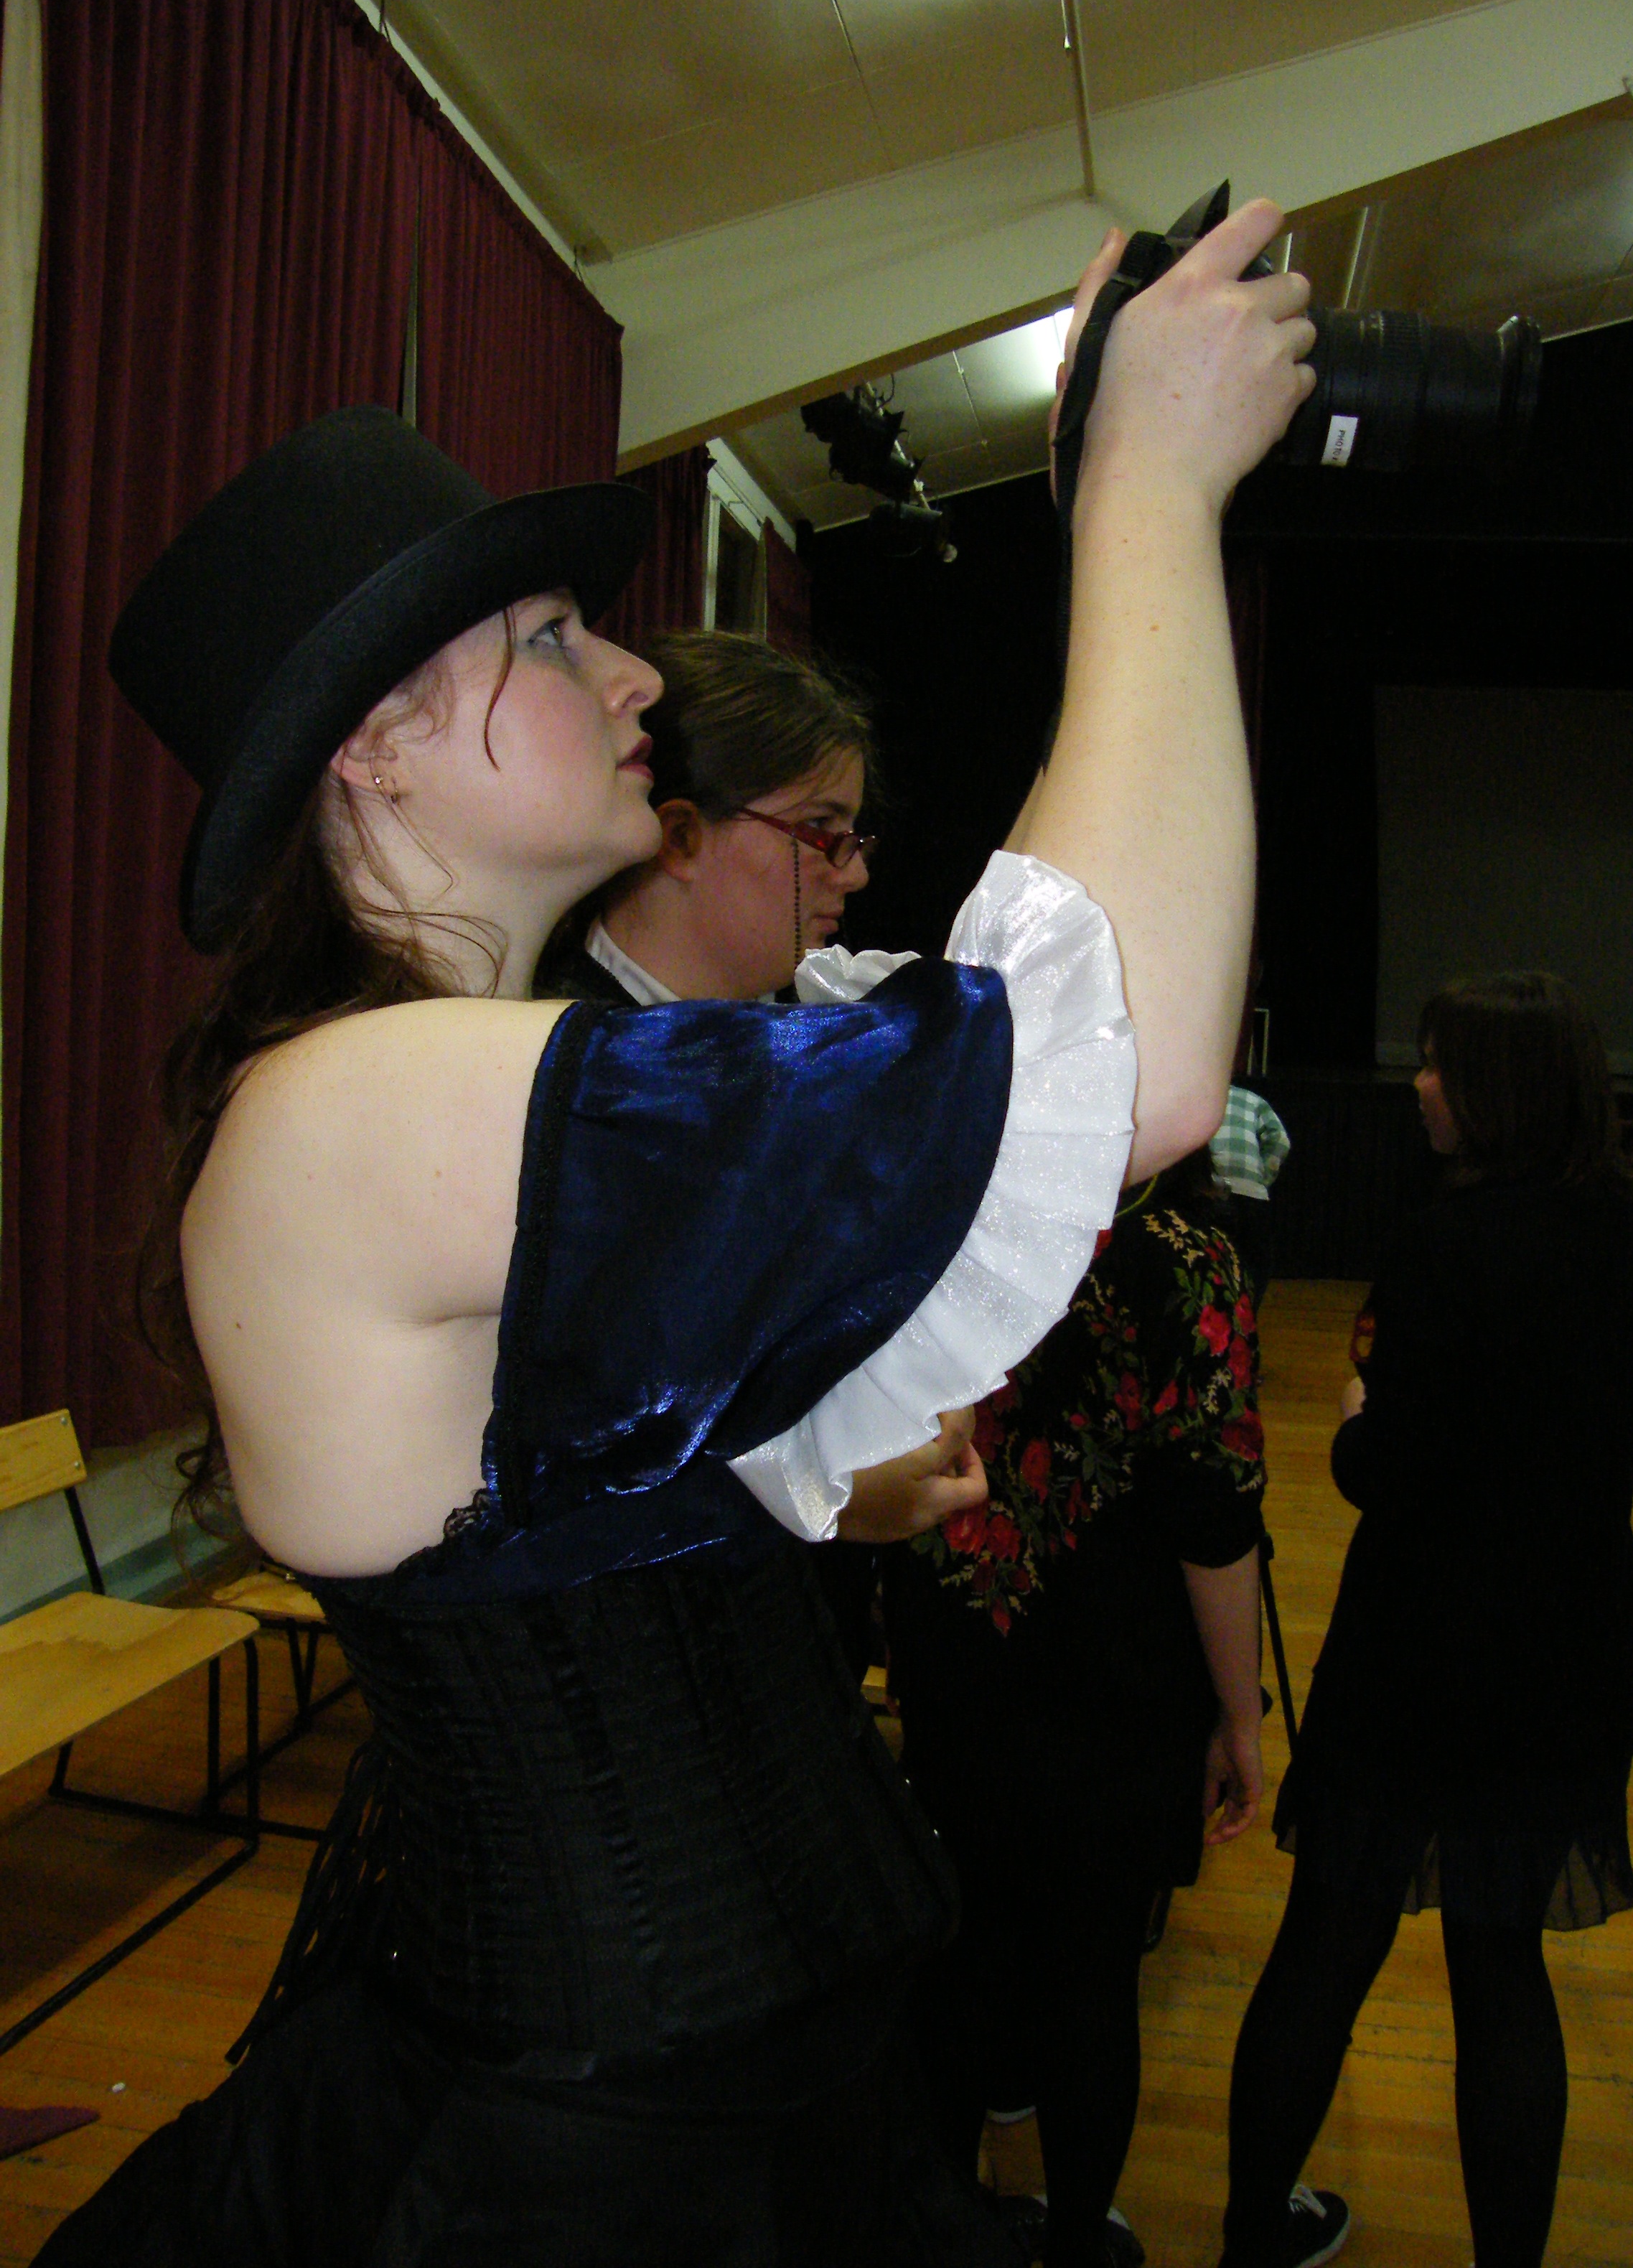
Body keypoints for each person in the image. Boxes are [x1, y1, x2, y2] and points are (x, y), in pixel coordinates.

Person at [35, 197, 1316, 2266]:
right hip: (598, 2166)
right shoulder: (350, 1109)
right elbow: (1123, 1071)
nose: (632, 668)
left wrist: (800, 1488)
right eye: (551, 638)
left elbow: (560, 1496)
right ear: (372, 745)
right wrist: (1149, 496)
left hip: (706, 2097)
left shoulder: (444, 1085)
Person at [1220, 972, 1633, 2268]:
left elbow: (1390, 1470)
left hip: (1418, 1650)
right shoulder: (1630, 1247)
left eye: (1438, 1064)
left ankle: (1250, 2238)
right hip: (1561, 1647)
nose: (1418, 1083)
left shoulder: (1446, 1244)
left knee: (1325, 1945)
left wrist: (1357, 1420)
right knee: (1501, 1969)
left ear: (1500, 1090)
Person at [882, 1144, 1279, 2268]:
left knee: (963, 1948)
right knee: (1093, 1973)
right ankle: (1075, 2239)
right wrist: (1241, 1714)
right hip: (1118, 1675)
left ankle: (950, 2228)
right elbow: (1215, 1516)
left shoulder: (943, 1196)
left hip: (960, 1643)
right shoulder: (1185, 1253)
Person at [541, 626, 949, 1676]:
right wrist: (821, 1488)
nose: (854, 872)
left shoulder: (769, 1046)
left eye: (854, 835)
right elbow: (575, 1446)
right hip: (641, 1670)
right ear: (678, 836)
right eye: (821, 832)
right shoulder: (570, 1077)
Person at [1209, 1082, 1290, 1306]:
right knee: (1256, 1262)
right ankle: (1247, 1314)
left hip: (1208, 1192)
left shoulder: (1192, 1100)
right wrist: (1262, 1178)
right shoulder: (1252, 1100)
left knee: (1210, 1260)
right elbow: (1280, 1140)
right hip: (1250, 1194)